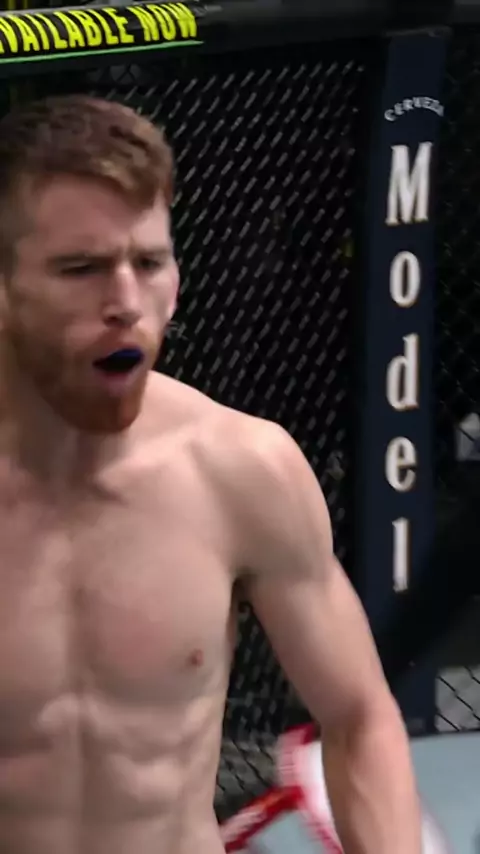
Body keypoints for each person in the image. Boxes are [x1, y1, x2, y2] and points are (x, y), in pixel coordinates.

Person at [0, 94, 420, 854]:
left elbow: (359, 714)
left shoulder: (239, 469)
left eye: (149, 262)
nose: (126, 303)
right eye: (80, 269)